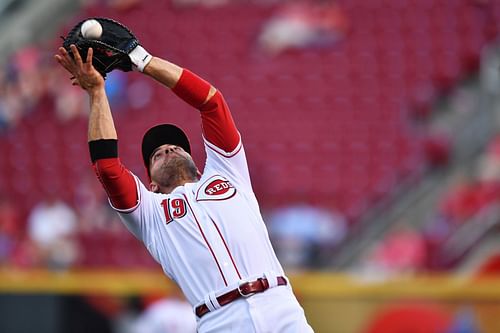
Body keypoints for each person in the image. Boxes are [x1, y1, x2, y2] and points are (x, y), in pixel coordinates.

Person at [54, 34, 313, 331]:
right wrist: (97, 93)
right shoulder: (150, 213)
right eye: (156, 154)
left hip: (279, 306)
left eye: (176, 145)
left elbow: (211, 102)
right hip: (221, 320)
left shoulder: (227, 173)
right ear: (150, 183)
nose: (167, 148)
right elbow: (108, 168)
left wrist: (144, 62)